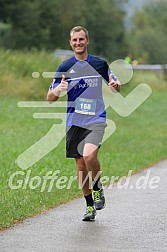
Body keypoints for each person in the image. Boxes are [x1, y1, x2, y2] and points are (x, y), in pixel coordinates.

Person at [47, 26, 120, 221]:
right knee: (80, 166)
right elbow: (50, 98)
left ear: (87, 41)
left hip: (96, 118)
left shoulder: (99, 64)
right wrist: (58, 90)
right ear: (70, 43)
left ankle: (97, 188)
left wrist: (115, 85)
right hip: (74, 121)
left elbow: (115, 84)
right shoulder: (64, 67)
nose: (78, 43)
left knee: (89, 156)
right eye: (74, 40)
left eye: (81, 39)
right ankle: (89, 206)